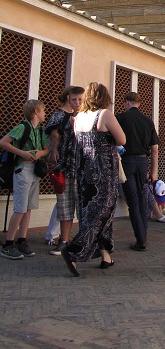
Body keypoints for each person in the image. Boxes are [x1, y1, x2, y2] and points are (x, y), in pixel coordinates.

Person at [61, 82, 126, 276]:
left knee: (90, 213)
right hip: (103, 172)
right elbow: (122, 139)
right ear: (105, 97)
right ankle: (74, 251)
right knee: (102, 212)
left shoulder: (78, 117)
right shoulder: (105, 114)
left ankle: (106, 256)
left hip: (84, 172)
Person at [0, 100, 49, 259]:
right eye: (42, 111)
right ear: (36, 111)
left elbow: (46, 149)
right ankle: (8, 244)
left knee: (28, 208)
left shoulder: (40, 130)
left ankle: (22, 239)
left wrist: (39, 154)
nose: (44, 114)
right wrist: (22, 153)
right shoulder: (23, 127)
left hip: (34, 171)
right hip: (23, 169)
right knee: (20, 208)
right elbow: (4, 142)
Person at [116, 92, 160, 251]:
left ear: (127, 102)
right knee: (141, 198)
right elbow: (154, 149)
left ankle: (140, 239)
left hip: (127, 161)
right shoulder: (148, 121)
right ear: (139, 104)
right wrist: (153, 172)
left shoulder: (119, 118)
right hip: (143, 162)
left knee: (133, 201)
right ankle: (143, 235)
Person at [45, 85, 85, 256]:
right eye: (74, 99)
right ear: (68, 99)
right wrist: (54, 150)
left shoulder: (87, 117)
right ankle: (64, 241)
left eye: (80, 100)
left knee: (83, 209)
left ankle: (84, 240)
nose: (76, 102)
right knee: (65, 207)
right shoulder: (61, 116)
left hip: (83, 170)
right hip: (66, 167)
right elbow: (55, 135)